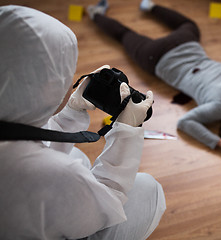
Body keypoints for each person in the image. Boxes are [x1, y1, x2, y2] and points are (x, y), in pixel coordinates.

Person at [0, 5, 165, 240]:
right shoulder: (49, 173)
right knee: (147, 189)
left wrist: (69, 115)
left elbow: (26, 142)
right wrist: (127, 132)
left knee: (77, 158)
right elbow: (109, 199)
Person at [87, 0, 221, 157]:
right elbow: (185, 123)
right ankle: (95, 13)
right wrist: (217, 142)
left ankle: (150, 6)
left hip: (186, 43)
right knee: (124, 35)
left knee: (189, 25)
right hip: (156, 58)